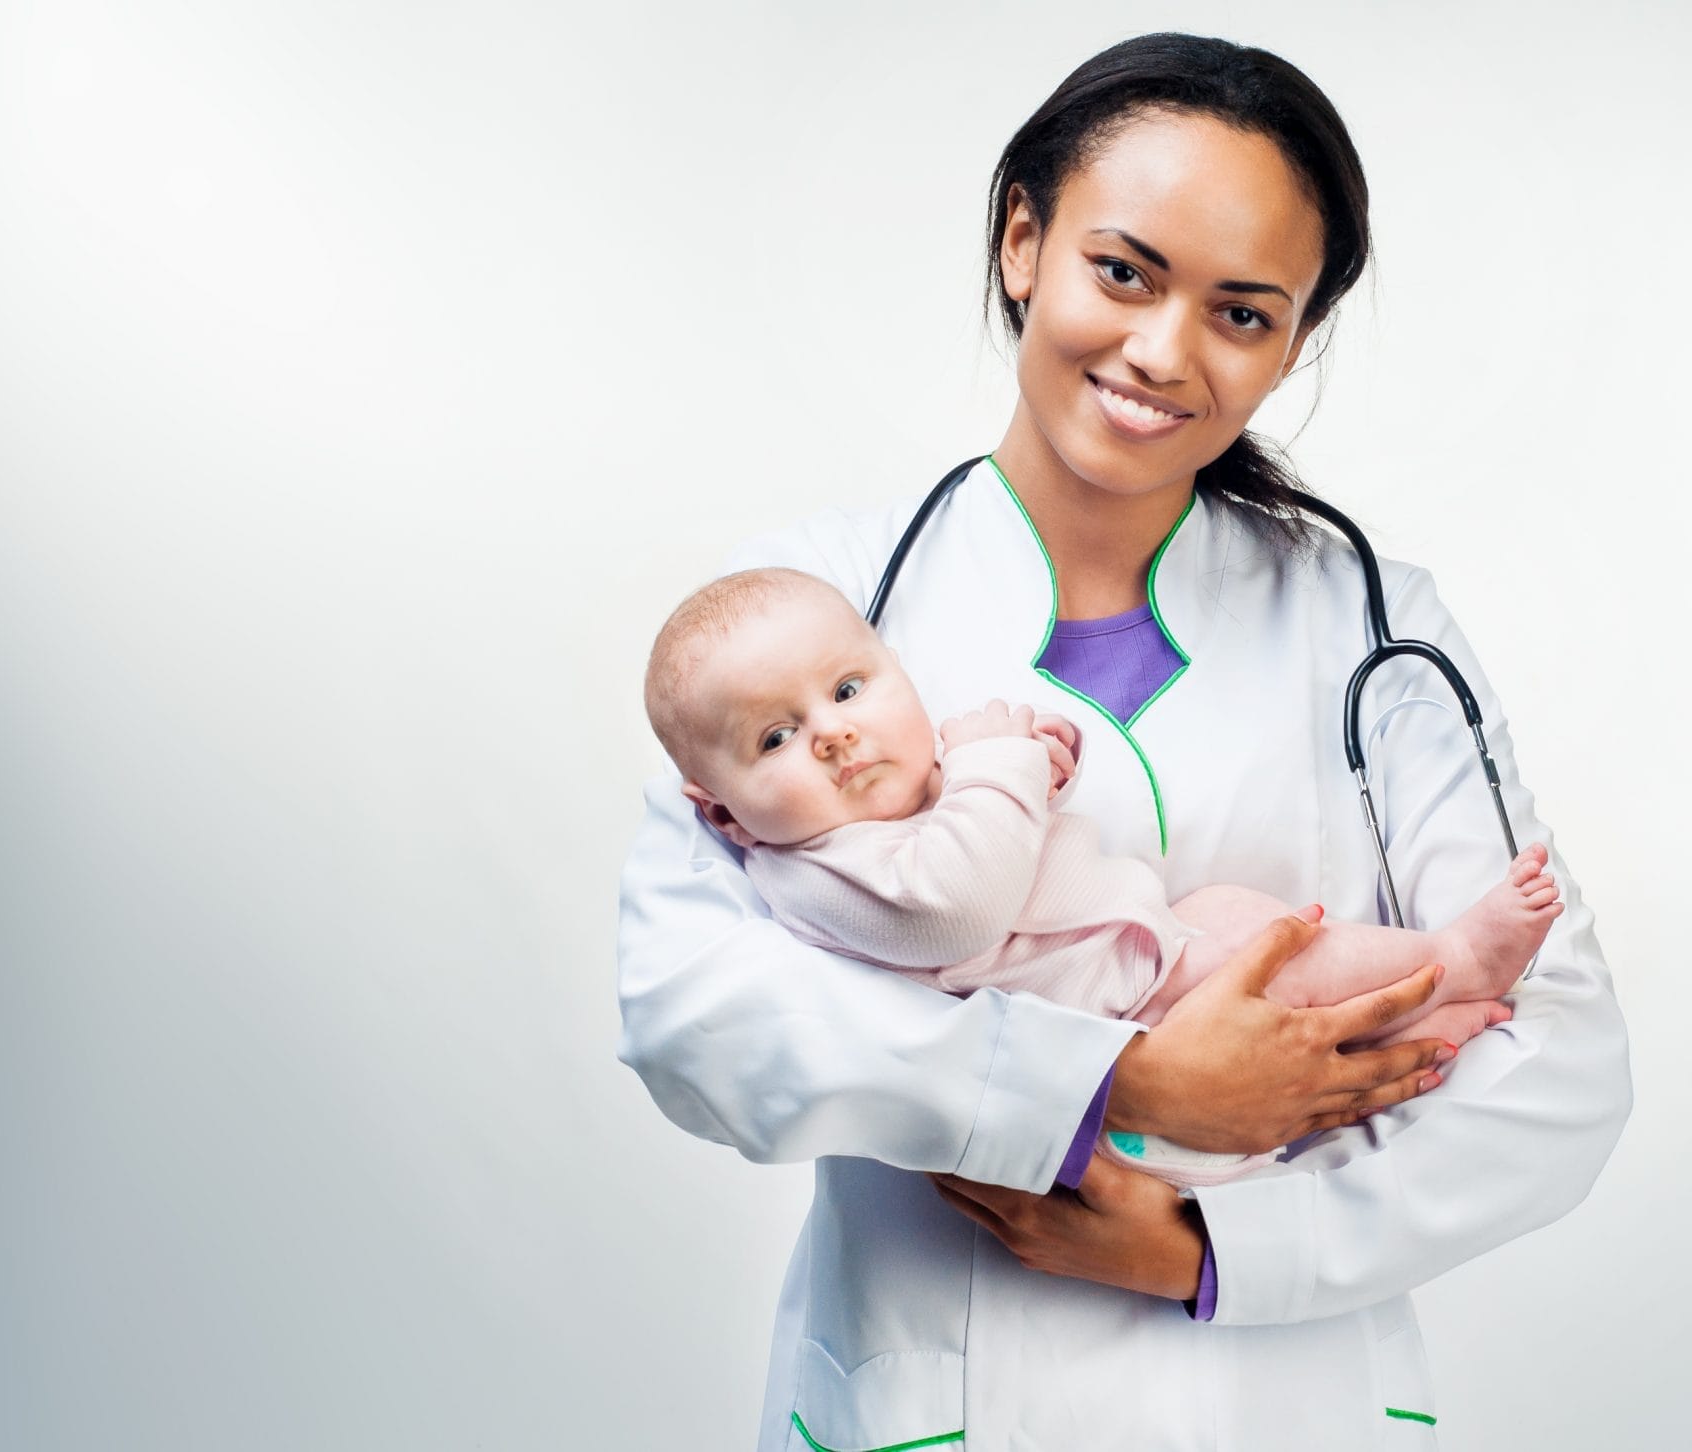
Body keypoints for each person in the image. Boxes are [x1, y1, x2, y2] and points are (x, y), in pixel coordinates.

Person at [616, 32, 1630, 1450]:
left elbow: (1562, 1063)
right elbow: (694, 1014)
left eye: (1243, 311)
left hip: (1288, 1394)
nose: (1165, 352)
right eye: (1125, 271)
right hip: (941, 1394)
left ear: (1291, 345)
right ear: (1024, 240)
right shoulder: (810, 619)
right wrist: (1106, 1085)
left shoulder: (1378, 628)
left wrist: (1216, 1248)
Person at [641, 564, 1560, 1186]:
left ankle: (1410, 1017)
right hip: (1114, 1023)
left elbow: (990, 821)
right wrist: (1000, 760)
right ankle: (1455, 958)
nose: (832, 733)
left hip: (1141, 959)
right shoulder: (816, 868)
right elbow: (958, 901)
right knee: (1272, 960)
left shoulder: (1358, 594)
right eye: (776, 738)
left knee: (1253, 934)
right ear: (722, 813)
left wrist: (1031, 758)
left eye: (847, 691)